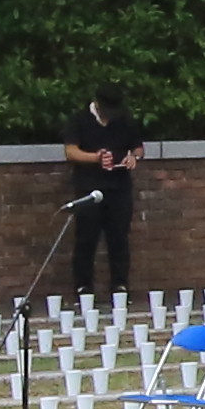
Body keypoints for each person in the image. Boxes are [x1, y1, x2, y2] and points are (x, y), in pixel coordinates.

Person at [65, 87, 148, 296]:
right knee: (86, 238)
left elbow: (138, 147)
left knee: (119, 237)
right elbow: (71, 151)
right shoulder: (80, 119)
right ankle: (83, 286)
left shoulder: (125, 119)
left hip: (119, 187)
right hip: (89, 187)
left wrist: (133, 157)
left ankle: (119, 284)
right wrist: (96, 158)